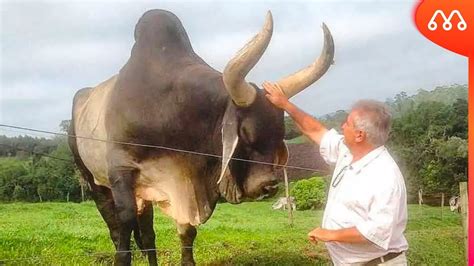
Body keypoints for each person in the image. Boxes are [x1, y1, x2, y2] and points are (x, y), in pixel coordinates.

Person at [263, 82, 408, 265]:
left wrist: (330, 234)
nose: (342, 126)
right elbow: (316, 131)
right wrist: (285, 104)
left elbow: (376, 232)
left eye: (347, 123)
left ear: (359, 135)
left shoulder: (384, 176)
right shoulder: (347, 152)